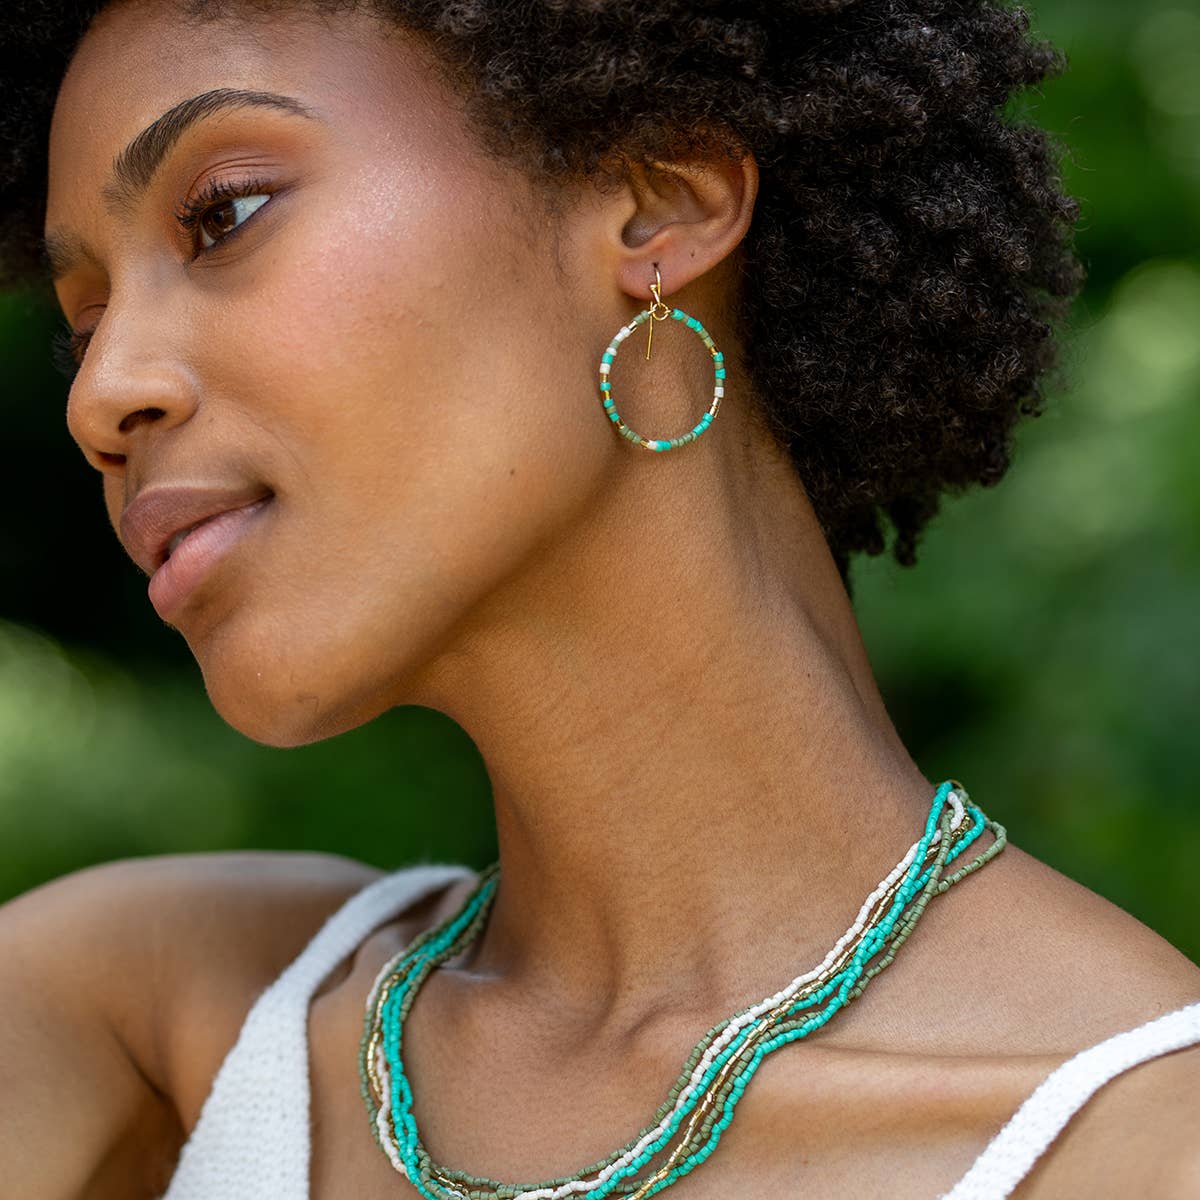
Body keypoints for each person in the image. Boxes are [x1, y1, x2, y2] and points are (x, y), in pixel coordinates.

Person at [1, 1, 1197, 1197]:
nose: (103, 395)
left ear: (656, 199)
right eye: (86, 322)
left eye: (225, 216)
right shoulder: (148, 1019)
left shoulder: (1138, 1141)